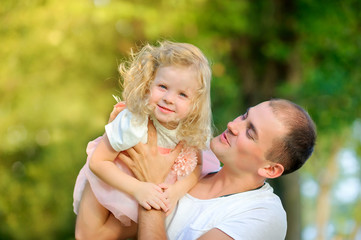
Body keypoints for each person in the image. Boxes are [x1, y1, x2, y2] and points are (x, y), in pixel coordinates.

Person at [73, 41, 217, 239]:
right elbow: (98, 162)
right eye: (163, 86)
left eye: (182, 94)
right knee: (88, 236)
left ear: (195, 104)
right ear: (149, 84)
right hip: (118, 184)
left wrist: (176, 191)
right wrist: (139, 189)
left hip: (154, 195)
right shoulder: (134, 121)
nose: (169, 98)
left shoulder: (190, 130)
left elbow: (198, 165)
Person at [118, 98, 316, 240]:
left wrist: (151, 188)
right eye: (244, 116)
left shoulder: (263, 215)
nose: (232, 125)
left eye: (250, 132)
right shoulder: (191, 161)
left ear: (270, 169)